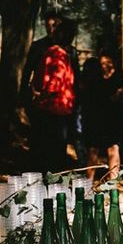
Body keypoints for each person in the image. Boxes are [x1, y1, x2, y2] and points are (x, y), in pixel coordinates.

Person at [29, 20, 78, 172]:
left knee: (47, 154)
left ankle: (48, 186)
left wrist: (39, 96)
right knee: (56, 152)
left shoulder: (54, 54)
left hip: (51, 109)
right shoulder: (63, 55)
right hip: (60, 109)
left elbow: (53, 86)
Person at [81, 51, 123, 181]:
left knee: (113, 149)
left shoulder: (120, 76)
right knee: (93, 150)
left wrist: (120, 91)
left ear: (114, 62)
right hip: (96, 117)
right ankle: (88, 183)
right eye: (102, 63)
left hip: (113, 117)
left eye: (108, 62)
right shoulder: (95, 76)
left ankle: (113, 184)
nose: (105, 66)